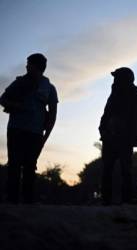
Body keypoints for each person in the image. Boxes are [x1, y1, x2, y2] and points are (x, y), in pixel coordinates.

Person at [0, 53, 58, 204]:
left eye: (29, 64)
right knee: (14, 165)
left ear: (37, 66)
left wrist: (45, 138)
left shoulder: (49, 88)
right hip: (16, 129)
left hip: (35, 133)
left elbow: (52, 116)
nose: (26, 66)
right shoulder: (19, 83)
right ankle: (11, 200)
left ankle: (28, 202)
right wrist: (17, 106)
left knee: (30, 166)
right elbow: (2, 99)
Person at [99, 67, 137, 205]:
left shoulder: (136, 95)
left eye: (116, 77)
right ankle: (106, 201)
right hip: (110, 137)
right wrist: (103, 129)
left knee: (126, 171)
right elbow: (106, 113)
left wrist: (132, 138)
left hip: (125, 139)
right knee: (107, 170)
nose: (114, 80)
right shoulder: (115, 93)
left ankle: (127, 201)